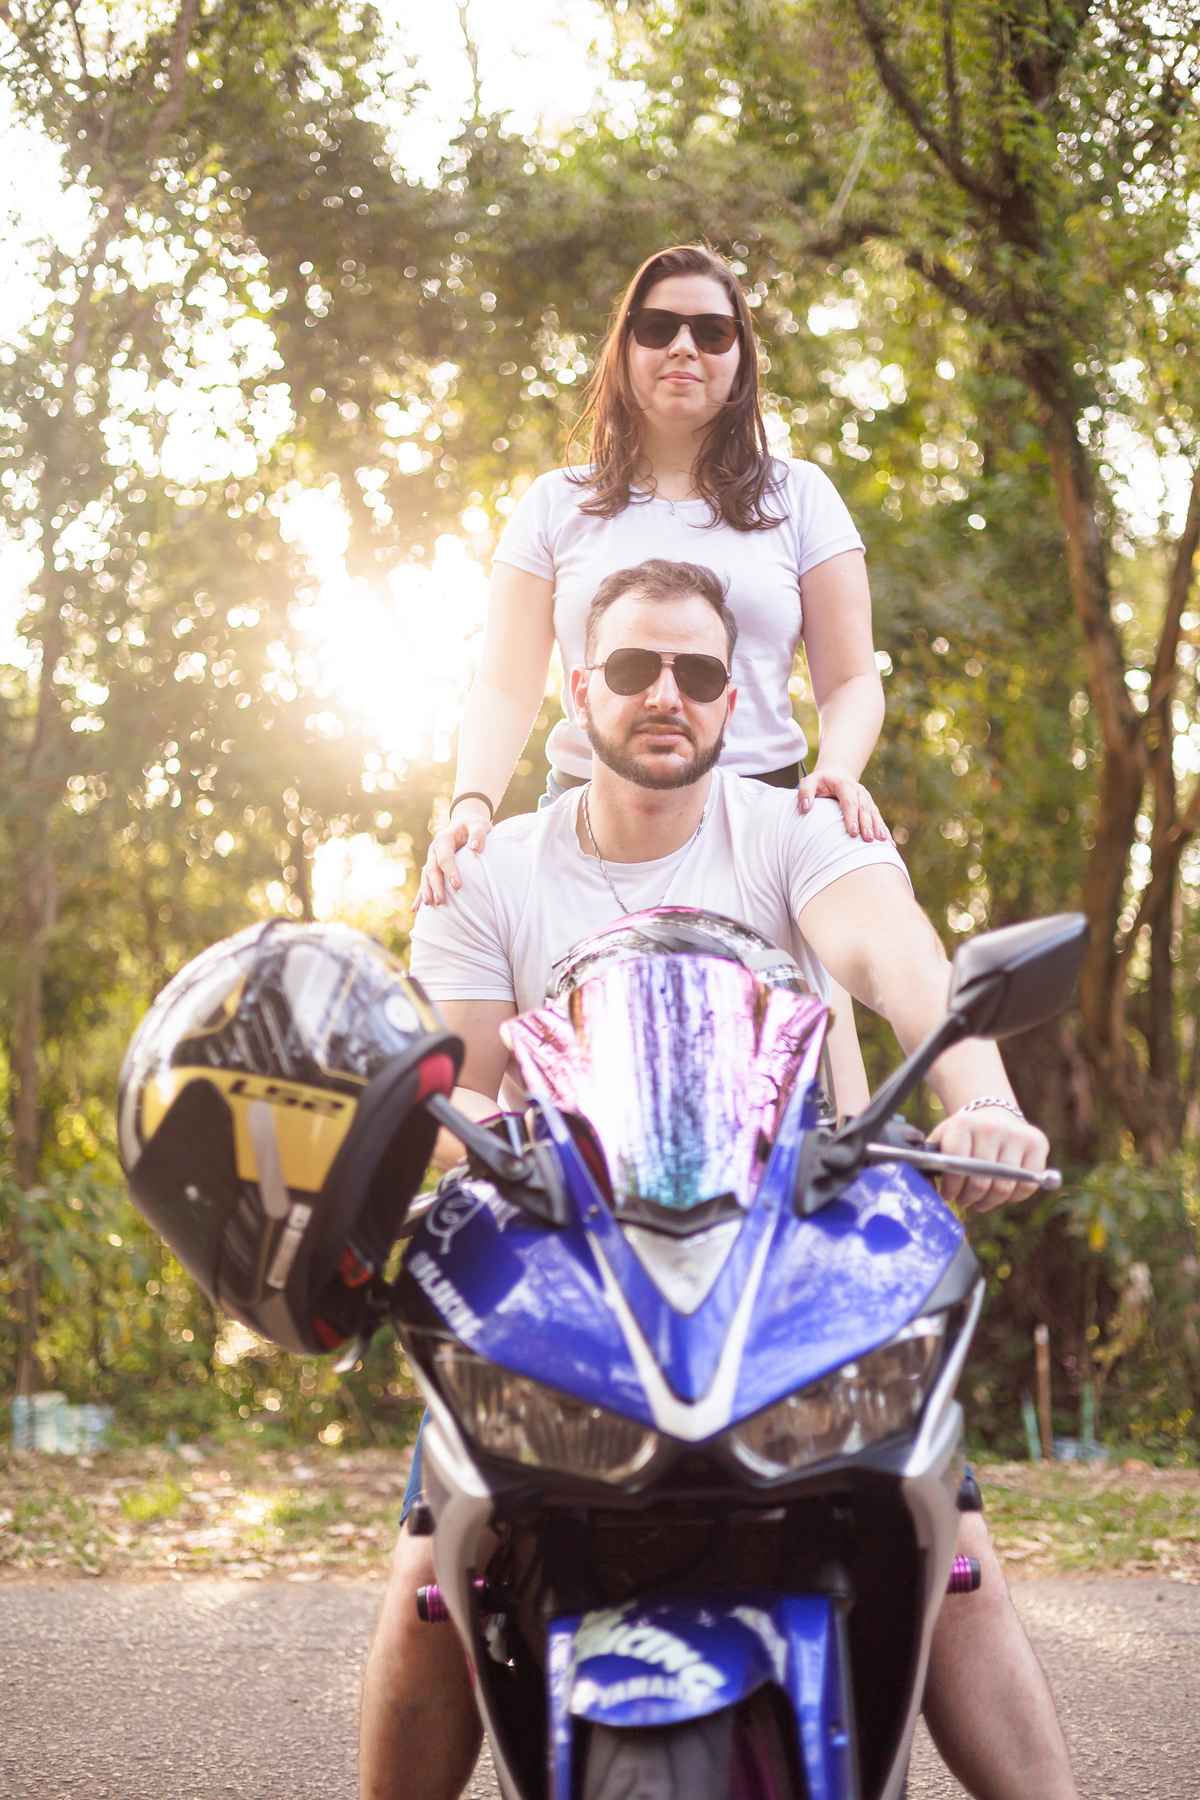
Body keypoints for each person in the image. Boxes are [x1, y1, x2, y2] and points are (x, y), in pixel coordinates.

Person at [358, 560, 1079, 1800]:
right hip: (571, 1281)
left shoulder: (799, 828)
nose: (666, 694)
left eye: (698, 673)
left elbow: (905, 965)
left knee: (956, 1555)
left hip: (803, 1261)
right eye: (635, 667)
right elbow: (449, 1086)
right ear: (579, 688)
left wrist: (989, 1102)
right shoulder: (490, 873)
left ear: (734, 698)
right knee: (433, 1582)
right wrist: (458, 1128)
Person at [417, 239, 886, 1110]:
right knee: (558, 1114)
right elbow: (506, 683)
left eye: (712, 332)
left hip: (766, 829)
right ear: (624, 348)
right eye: (659, 326)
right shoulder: (557, 504)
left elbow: (852, 680)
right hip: (598, 823)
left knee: (824, 1119)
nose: (684, 348)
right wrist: (473, 801)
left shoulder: (802, 498)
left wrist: (836, 776)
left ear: (741, 359)